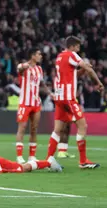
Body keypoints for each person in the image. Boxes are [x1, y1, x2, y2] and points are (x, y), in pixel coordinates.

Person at [46, 36, 103, 169]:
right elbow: (89, 69)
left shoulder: (60, 57)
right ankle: (83, 161)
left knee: (57, 129)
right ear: (72, 46)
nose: (78, 49)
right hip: (68, 97)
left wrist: (82, 70)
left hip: (59, 97)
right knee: (83, 126)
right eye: (77, 47)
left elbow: (72, 74)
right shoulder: (72, 55)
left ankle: (49, 160)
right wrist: (99, 83)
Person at [15, 48, 53, 164]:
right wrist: (24, 67)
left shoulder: (39, 69)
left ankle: (32, 156)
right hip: (25, 103)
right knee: (22, 128)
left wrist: (50, 93)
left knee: (34, 129)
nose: (41, 56)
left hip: (36, 103)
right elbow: (20, 70)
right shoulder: (23, 66)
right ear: (32, 56)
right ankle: (19, 156)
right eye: (39, 54)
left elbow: (41, 83)